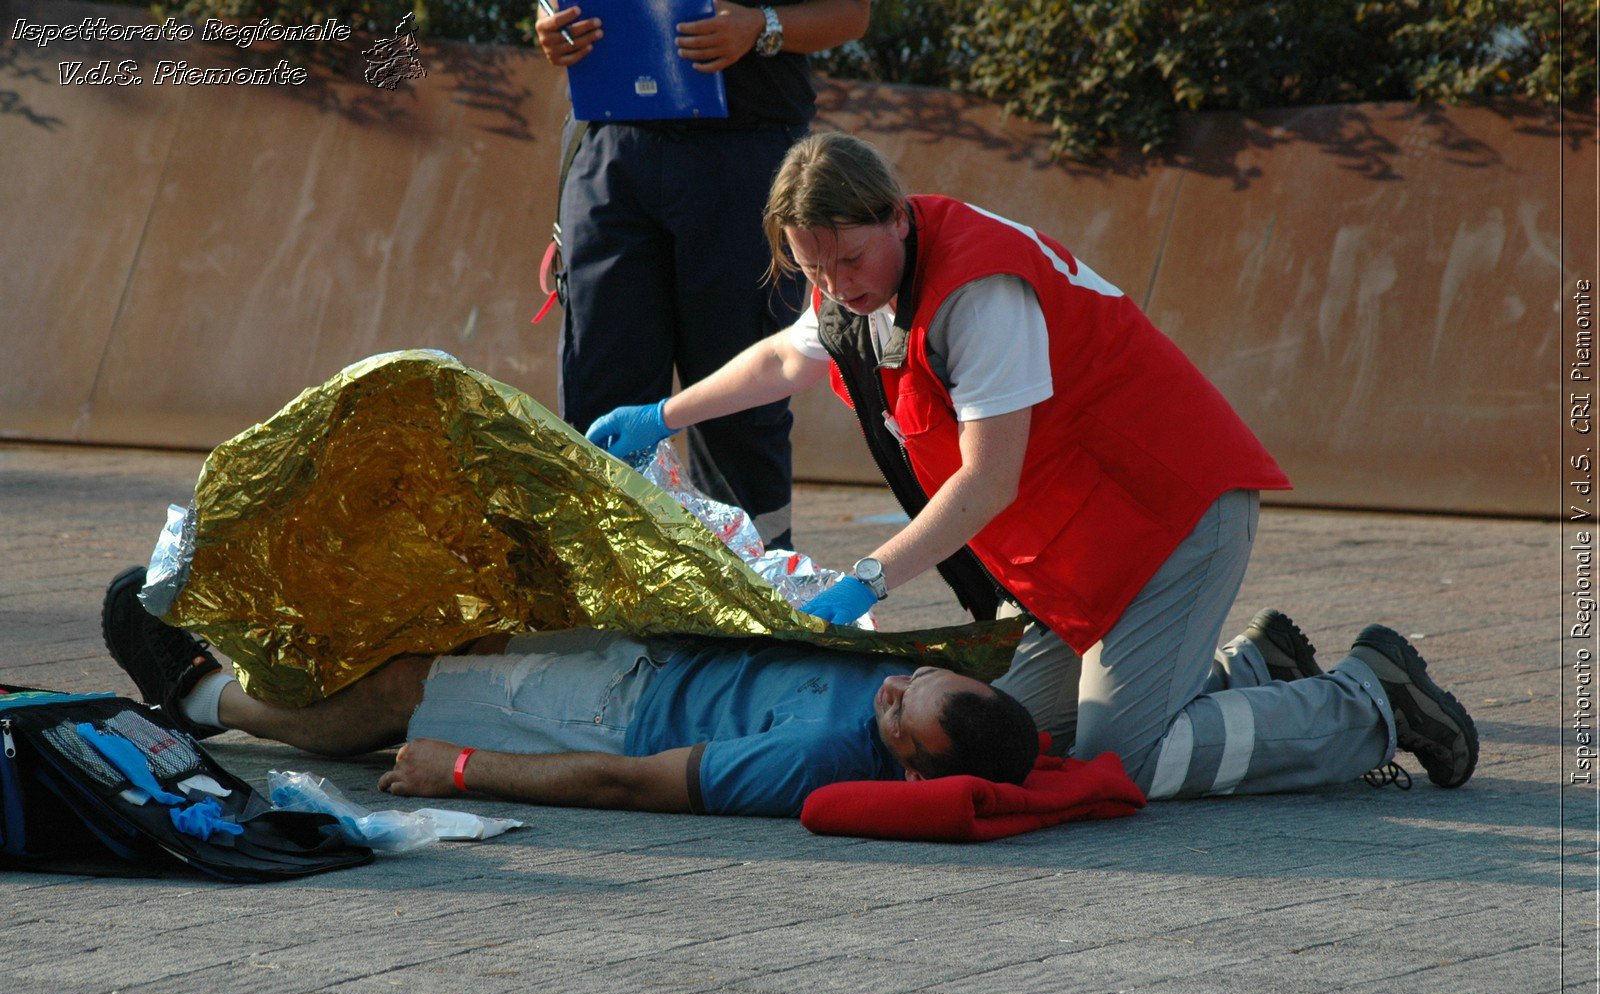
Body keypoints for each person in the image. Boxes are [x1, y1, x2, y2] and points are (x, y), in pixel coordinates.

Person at [586, 131, 1481, 798]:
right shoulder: (865, 286)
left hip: (1168, 518)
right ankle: (1258, 672)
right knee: (1012, 735)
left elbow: (987, 479)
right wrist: (660, 414)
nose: (839, 288)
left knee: (1114, 766)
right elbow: (786, 359)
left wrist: (867, 579)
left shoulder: (981, 292)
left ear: (897, 216)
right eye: (816, 272)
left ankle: (1371, 701)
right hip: (1086, 552)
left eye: (851, 260)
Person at [100, 567, 1038, 817]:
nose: (892, 689)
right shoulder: (922, 692)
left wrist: (464, 770)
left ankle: (198, 699)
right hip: (657, 644)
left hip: (609, 710)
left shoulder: (816, 762)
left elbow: (631, 785)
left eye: (898, 714)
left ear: (913, 768)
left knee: (403, 694)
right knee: (457, 613)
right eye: (911, 679)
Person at [534, 0, 870, 551]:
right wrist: (549, 25)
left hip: (742, 151)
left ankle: (757, 604)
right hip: (609, 147)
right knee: (600, 399)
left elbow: (850, 14)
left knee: (739, 398)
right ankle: (606, 604)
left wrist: (763, 27)